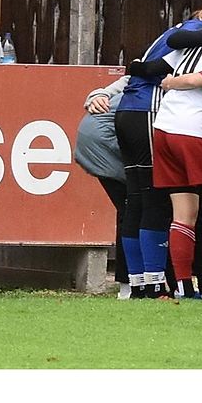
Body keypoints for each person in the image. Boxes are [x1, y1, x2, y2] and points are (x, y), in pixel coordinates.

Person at [115, 0, 202, 299]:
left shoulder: (192, 40)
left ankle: (167, 286)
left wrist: (137, 69)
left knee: (170, 209)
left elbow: (153, 67)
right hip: (181, 124)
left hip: (159, 123)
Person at [76, 75, 130, 299]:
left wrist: (97, 94)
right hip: (104, 142)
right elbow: (114, 87)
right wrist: (97, 94)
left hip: (94, 140)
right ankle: (133, 283)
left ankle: (130, 283)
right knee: (137, 209)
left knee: (131, 210)